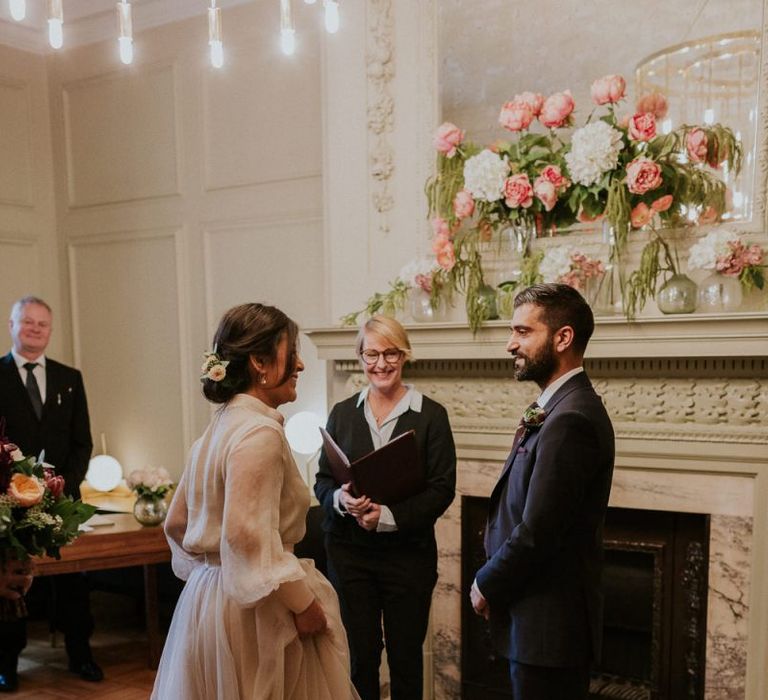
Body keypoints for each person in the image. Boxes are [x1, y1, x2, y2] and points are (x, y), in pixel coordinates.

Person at [151, 303, 358, 700]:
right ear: (260, 363)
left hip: (207, 600)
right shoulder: (259, 433)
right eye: (291, 352)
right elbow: (246, 536)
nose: (300, 364)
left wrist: (210, 572)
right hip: (255, 610)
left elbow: (176, 523)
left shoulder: (214, 430)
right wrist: (302, 603)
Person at [470, 283, 615, 700]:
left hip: (550, 631)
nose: (509, 344)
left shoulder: (572, 418)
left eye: (522, 332)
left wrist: (486, 583)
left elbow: (539, 530)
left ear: (563, 337)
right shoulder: (557, 407)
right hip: (534, 625)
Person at [314, 315, 456, 700]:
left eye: (390, 353)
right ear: (360, 357)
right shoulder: (343, 412)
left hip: (407, 558)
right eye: (372, 354)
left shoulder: (432, 416)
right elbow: (323, 481)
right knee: (361, 657)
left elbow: (443, 489)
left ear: (404, 354)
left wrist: (387, 518)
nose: (381, 364)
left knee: (406, 657)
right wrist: (340, 501)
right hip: (349, 556)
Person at [0, 296, 100, 693]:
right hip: (8, 500)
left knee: (74, 581)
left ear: (50, 330)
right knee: (12, 579)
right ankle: (6, 662)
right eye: (28, 322)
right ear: (12, 324)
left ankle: (82, 654)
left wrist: (63, 488)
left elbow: (83, 443)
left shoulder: (69, 377)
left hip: (60, 501)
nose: (36, 329)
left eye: (43, 324)